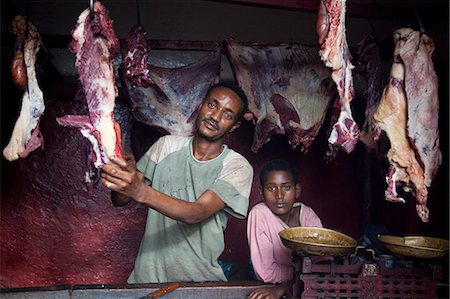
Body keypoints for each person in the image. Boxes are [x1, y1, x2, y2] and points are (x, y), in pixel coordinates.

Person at [100, 82, 254, 283]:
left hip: (200, 285)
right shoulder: (167, 146)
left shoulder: (237, 167)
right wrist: (124, 179)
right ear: (201, 106)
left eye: (227, 114)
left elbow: (197, 212)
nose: (215, 117)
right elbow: (120, 200)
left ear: (234, 126)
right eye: (212, 105)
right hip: (147, 281)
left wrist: (140, 191)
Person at [247, 159, 323, 299]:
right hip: (279, 285)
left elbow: (321, 261)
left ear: (297, 190)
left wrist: (288, 284)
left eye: (286, 187)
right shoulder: (260, 214)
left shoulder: (306, 214)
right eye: (271, 188)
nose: (279, 196)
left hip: (299, 285)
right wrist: (303, 274)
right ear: (261, 192)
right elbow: (266, 273)